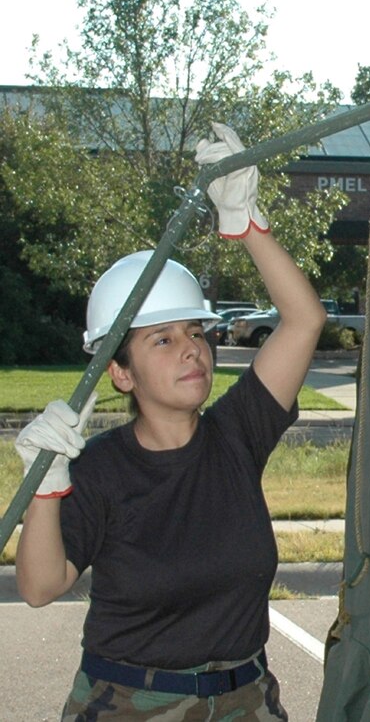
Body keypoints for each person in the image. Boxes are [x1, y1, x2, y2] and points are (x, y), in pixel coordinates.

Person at [14, 122, 327, 721]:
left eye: (195, 332)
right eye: (162, 339)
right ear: (121, 373)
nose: (191, 349)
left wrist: (245, 222)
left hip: (246, 699)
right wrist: (45, 491)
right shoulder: (99, 468)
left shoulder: (237, 433)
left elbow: (303, 320)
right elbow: (39, 586)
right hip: (128, 703)